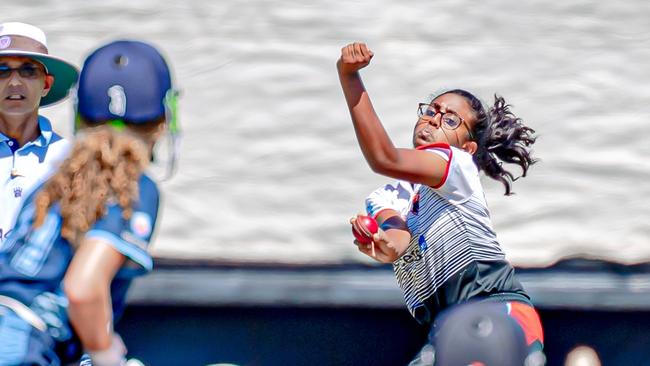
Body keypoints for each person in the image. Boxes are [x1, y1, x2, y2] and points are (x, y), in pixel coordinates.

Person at [338, 42, 544, 364]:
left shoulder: (456, 166)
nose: (434, 120)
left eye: (450, 121)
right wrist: (384, 244)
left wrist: (349, 76)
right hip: (446, 326)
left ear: (468, 147)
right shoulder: (387, 196)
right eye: (431, 111)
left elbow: (383, 157)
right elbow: (399, 239)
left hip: (494, 309)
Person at [0, 39, 180, 366]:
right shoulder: (136, 185)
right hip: (22, 346)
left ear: (79, 113)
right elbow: (83, 287)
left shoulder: (54, 179)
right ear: (164, 119)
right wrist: (105, 353)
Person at [0, 22, 78, 246]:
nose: (15, 82)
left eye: (28, 70)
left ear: (46, 84)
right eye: (2, 70)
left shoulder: (69, 159)